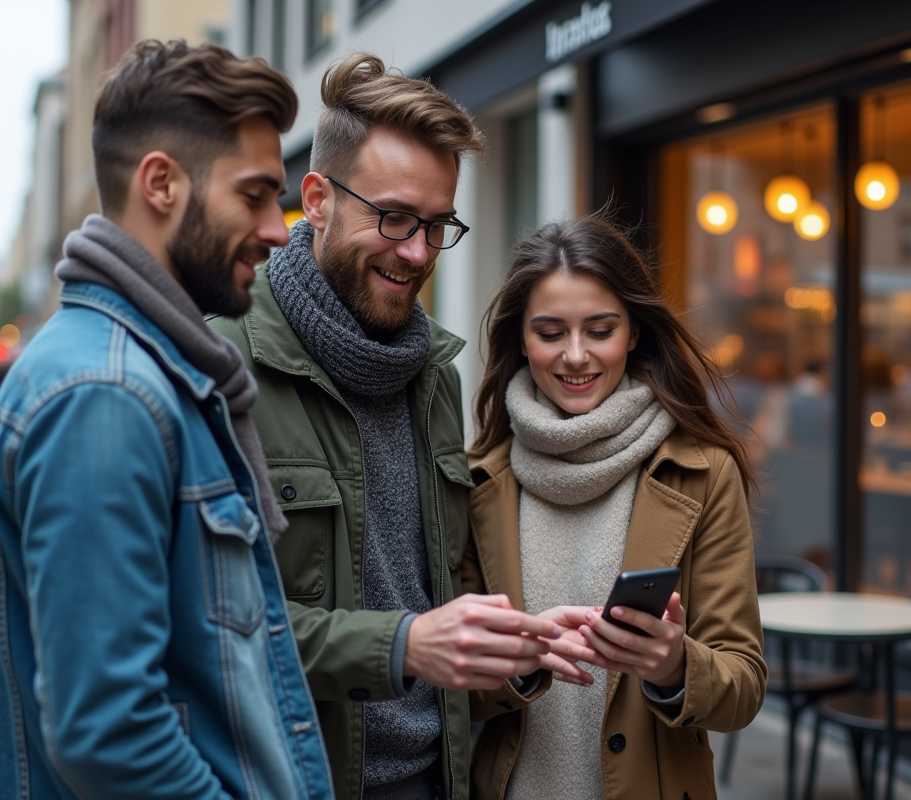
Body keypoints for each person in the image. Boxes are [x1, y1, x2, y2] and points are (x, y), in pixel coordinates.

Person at [0, 40, 333, 799]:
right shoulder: (107, 396)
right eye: (255, 194)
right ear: (162, 183)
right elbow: (110, 732)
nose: (279, 228)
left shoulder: (143, 371)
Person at [209, 53, 564, 800]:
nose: (416, 252)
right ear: (317, 198)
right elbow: (213, 627)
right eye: (395, 217)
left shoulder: (436, 374)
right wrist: (403, 646)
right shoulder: (221, 363)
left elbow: (432, 585)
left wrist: (515, 636)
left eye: (438, 226)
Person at [464, 215, 767, 800]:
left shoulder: (703, 472)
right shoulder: (478, 479)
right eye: (550, 333)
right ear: (520, 340)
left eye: (600, 330)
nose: (576, 356)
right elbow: (446, 687)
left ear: (633, 333)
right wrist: (520, 662)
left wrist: (675, 665)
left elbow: (744, 688)